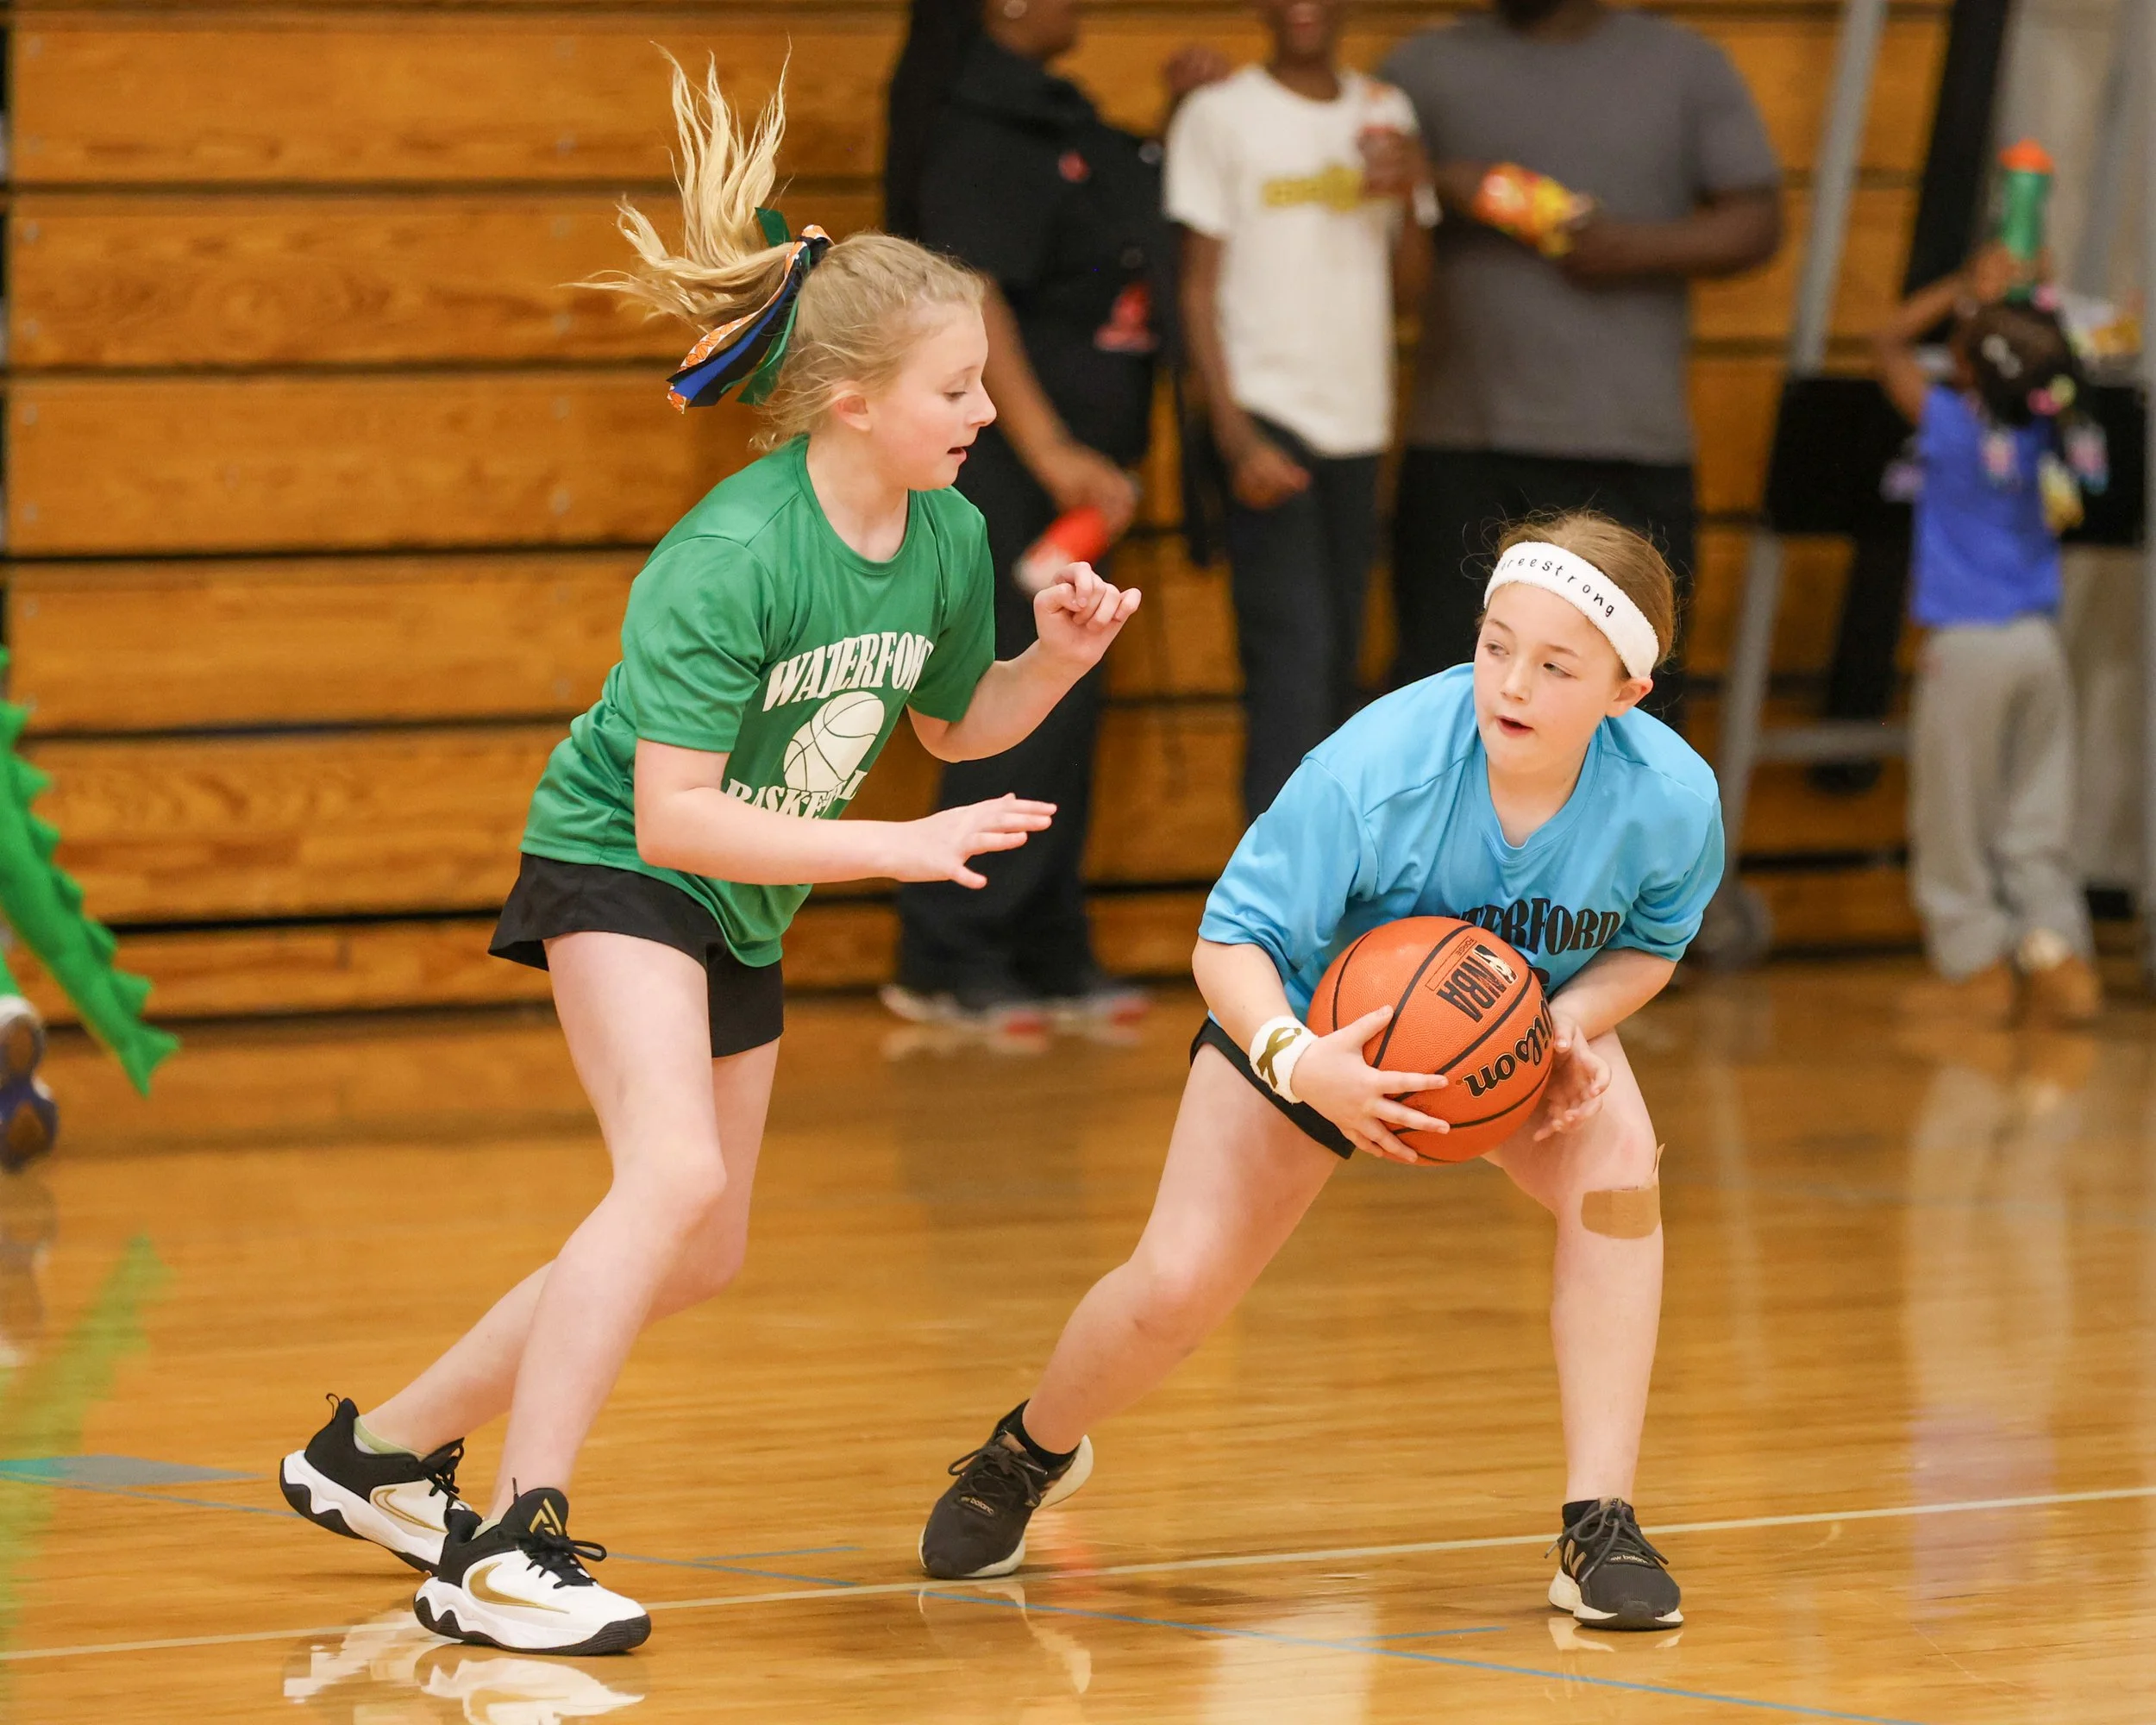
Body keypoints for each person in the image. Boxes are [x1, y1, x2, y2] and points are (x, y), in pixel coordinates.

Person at [278, 59, 1141, 1656]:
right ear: (853, 401)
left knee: (704, 1245)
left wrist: (1055, 666)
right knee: (666, 1179)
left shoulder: (946, 535)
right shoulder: (732, 553)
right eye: (960, 388)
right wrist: (898, 851)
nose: (984, 413)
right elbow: (672, 816)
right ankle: (503, 1545)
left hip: (739, 892)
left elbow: (951, 729)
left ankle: (375, 1453)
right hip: (621, 862)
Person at [918, 511, 1721, 1633]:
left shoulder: (1672, 800)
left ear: (1626, 693)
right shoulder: (1373, 770)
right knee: (1177, 1288)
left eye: (1556, 665)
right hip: (1303, 1021)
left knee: (1622, 1175)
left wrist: (1573, 1024)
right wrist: (1302, 1064)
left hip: (1506, 1036)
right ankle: (1029, 1449)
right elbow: (1224, 945)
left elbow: (1653, 943)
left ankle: (1601, 1521)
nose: (1514, 682)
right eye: (1496, 646)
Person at [881, 0, 1213, 1030]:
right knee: (1002, 704)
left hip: (1083, 481)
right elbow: (973, 296)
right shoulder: (976, 122)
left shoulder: (1062, 116)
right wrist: (1055, 451)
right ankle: (950, 950)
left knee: (1067, 704)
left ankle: (1044, 936)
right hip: (1011, 479)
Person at [1381, 0, 1783, 728]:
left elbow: (1759, 221)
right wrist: (1443, 183)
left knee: (1634, 716)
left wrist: (1632, 250)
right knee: (1441, 707)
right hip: (1462, 443)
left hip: (1629, 446)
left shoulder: (1685, 65)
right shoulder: (1420, 69)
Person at [1166, 0, 1432, 819]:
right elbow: (1196, 288)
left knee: (1338, 675)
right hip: (1266, 419)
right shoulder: (1220, 114)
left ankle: (1335, 914)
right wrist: (1234, 434)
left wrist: (1414, 187)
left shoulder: (1387, 112)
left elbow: (1412, 295)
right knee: (1291, 673)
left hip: (1358, 424)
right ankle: (1269, 926)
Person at [1872, 249, 2103, 1026]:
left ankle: (1977, 966)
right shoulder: (2054, 432)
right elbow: (2058, 356)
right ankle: (2056, 952)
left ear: (1967, 367)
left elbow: (1886, 343)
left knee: (1954, 815)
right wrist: (2035, 304)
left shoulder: (1947, 425)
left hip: (1966, 647)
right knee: (2037, 808)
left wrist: (1961, 286)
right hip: (2040, 643)